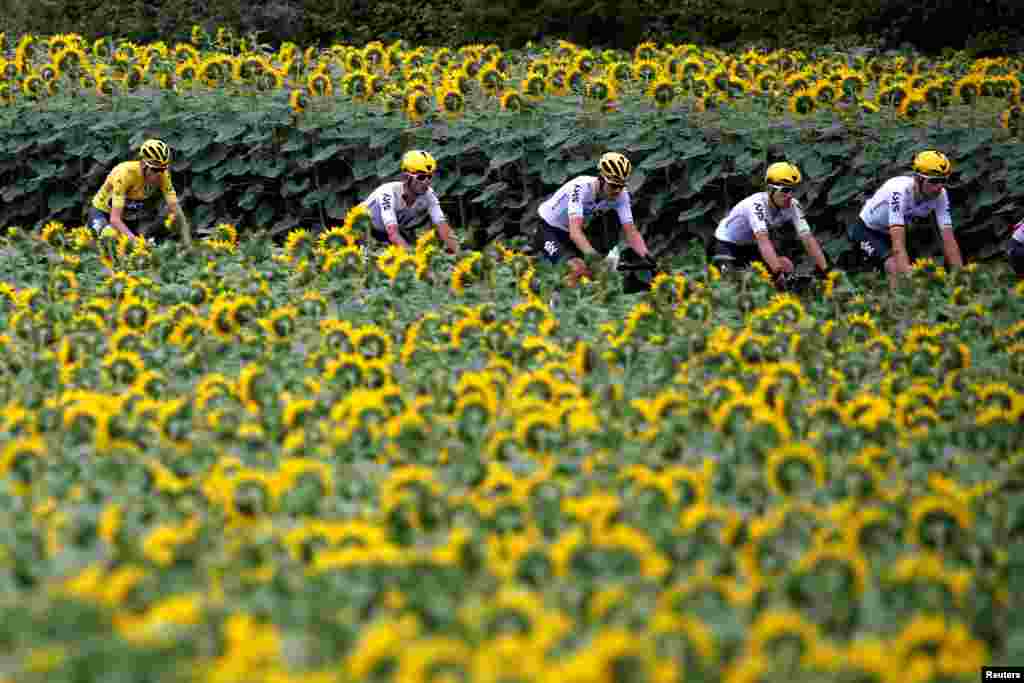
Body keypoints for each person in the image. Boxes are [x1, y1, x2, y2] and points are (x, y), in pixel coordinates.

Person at [534, 152, 656, 286]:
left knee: (592, 273)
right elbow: (575, 232)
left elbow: (631, 232)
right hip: (548, 229)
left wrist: (647, 258)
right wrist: (595, 259)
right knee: (577, 268)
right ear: (601, 179)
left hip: (568, 233)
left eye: (621, 186)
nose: (617, 191)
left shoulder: (621, 195)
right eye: (613, 185)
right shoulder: (580, 187)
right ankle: (554, 297)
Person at [847, 150, 963, 282]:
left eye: (943, 181)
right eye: (934, 181)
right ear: (918, 179)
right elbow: (898, 245)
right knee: (895, 267)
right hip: (867, 230)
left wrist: (962, 277)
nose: (939, 187)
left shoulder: (941, 195)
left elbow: (949, 240)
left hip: (891, 231)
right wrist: (908, 278)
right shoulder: (899, 192)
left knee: (918, 269)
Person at [709, 161, 829, 287]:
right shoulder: (756, 205)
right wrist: (777, 273)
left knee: (786, 265)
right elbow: (763, 240)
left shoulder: (793, 205)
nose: (790, 195)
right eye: (785, 190)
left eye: (793, 190)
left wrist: (826, 271)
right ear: (770, 189)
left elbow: (808, 239)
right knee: (730, 284)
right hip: (725, 244)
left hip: (749, 247)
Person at [88, 139, 190, 243]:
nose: (159, 174)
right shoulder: (125, 174)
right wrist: (134, 241)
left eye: (163, 169)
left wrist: (188, 242)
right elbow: (114, 219)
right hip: (102, 212)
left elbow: (176, 209)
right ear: (143, 164)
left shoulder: (163, 175)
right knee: (110, 237)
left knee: (148, 243)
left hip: (127, 216)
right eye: (155, 170)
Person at [360, 150, 459, 254]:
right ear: (406, 177)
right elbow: (393, 233)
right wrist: (413, 258)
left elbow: (442, 226)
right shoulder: (388, 193)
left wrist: (459, 254)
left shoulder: (428, 194)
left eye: (430, 176)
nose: (427, 181)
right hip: (362, 228)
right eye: (421, 177)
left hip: (385, 232)